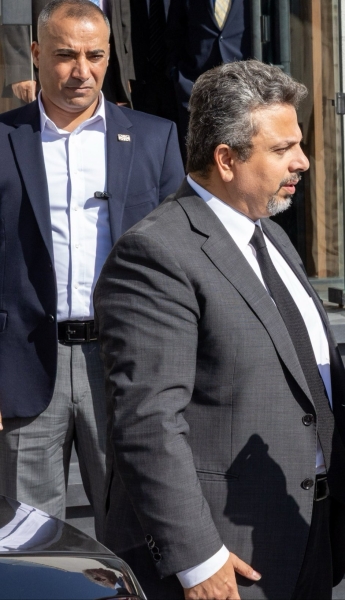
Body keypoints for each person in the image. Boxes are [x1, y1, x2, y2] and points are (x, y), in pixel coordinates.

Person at [94, 59, 345, 599]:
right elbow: (147, 422)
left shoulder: (272, 235)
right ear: (226, 159)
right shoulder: (156, 252)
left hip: (306, 533)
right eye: (283, 149)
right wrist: (197, 559)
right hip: (224, 555)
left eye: (299, 144)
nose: (303, 161)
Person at [0, 0, 183, 540]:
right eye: (65, 55)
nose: (81, 71)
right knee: (29, 543)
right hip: (24, 369)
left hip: (126, 364)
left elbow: (180, 261)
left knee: (137, 533)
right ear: (36, 54)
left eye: (94, 56)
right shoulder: (4, 139)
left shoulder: (154, 138)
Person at [164, 0, 257, 157]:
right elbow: (174, 31)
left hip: (245, 85)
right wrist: (177, 74)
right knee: (200, 156)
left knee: (241, 154)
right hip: (195, 86)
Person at [1, 0, 135, 106]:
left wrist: (125, 70)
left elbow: (123, 11)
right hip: (50, 60)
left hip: (103, 58)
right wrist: (21, 69)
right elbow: (14, 6)